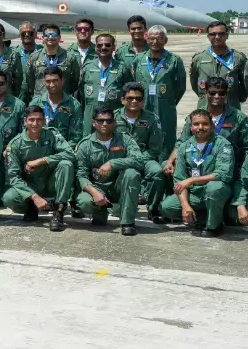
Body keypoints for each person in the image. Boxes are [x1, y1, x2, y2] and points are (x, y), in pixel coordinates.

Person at [73, 105, 148, 235]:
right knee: (84, 202)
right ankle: (101, 211)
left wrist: (112, 163)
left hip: (119, 186)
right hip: (98, 186)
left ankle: (127, 222)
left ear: (114, 123)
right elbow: (81, 174)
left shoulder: (125, 139)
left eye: (109, 121)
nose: (104, 124)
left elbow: (139, 161)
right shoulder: (85, 145)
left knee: (131, 173)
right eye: (100, 120)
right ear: (94, 122)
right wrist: (94, 192)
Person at [159, 109, 233, 236]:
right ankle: (207, 217)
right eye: (196, 124)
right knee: (166, 208)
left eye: (205, 124)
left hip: (218, 192)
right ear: (191, 127)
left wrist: (192, 180)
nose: (200, 127)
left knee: (213, 188)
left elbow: (223, 174)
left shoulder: (222, 144)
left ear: (212, 126)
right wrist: (185, 206)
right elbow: (180, 180)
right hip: (195, 193)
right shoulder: (184, 147)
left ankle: (214, 226)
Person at [1, 106, 76, 231]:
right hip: (30, 185)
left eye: (39, 120)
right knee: (9, 198)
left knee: (66, 164)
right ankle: (32, 207)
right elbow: (12, 177)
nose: (35, 123)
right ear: (25, 121)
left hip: (51, 182)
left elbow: (70, 154)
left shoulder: (52, 134)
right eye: (31, 120)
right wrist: (34, 196)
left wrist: (42, 160)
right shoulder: (15, 144)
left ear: (44, 121)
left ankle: (58, 212)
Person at [175, 77, 248, 179]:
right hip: (197, 166)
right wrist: (172, 161)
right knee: (167, 166)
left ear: (226, 95)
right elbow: (182, 142)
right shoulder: (195, 116)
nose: (216, 96)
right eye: (212, 93)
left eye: (221, 93)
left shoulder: (239, 118)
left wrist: (244, 171)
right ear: (206, 93)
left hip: (228, 169)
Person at [129, 25, 187, 157]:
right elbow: (133, 82)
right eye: (152, 38)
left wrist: (167, 101)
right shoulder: (139, 59)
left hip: (165, 109)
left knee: (166, 139)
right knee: (141, 136)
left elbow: (180, 87)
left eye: (160, 38)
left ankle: (166, 165)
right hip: (142, 106)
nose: (155, 42)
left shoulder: (174, 60)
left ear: (165, 40)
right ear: (147, 39)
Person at [116, 82, 169, 224]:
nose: (134, 101)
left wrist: (137, 160)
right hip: (120, 160)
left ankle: (153, 208)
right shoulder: (113, 118)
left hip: (145, 158)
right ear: (122, 100)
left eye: (138, 99)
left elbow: (155, 149)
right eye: (130, 98)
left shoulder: (152, 119)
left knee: (157, 172)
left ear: (143, 101)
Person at [79, 33, 132, 136]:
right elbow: (81, 89)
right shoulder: (88, 67)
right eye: (100, 45)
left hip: (113, 113)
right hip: (91, 113)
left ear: (113, 47)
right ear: (95, 47)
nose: (103, 48)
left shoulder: (122, 67)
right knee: (89, 141)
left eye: (107, 45)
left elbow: (128, 91)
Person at [189, 20, 248, 108]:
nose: (217, 37)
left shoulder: (238, 58)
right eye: (213, 34)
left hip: (231, 108)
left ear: (227, 35)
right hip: (206, 108)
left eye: (221, 34)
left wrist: (235, 98)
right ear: (208, 37)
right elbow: (194, 82)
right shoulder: (199, 59)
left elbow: (245, 83)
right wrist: (204, 97)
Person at [22, 24, 81, 103]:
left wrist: (65, 91)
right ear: (43, 37)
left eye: (54, 35)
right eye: (47, 35)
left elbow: (75, 80)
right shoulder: (34, 57)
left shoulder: (69, 57)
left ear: (59, 37)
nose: (50, 37)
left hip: (63, 101)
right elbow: (30, 80)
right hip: (40, 101)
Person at [31, 67, 81, 142]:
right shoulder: (35, 103)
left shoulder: (73, 105)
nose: (52, 85)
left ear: (62, 81)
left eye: (55, 81)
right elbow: (29, 131)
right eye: (48, 81)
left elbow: (76, 136)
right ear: (44, 82)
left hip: (64, 147)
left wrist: (64, 148)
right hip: (39, 146)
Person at [9, 22, 39, 98]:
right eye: (23, 33)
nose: (27, 35)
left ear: (35, 34)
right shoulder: (12, 53)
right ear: (19, 35)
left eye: (30, 33)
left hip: (38, 95)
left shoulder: (43, 52)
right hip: (19, 95)